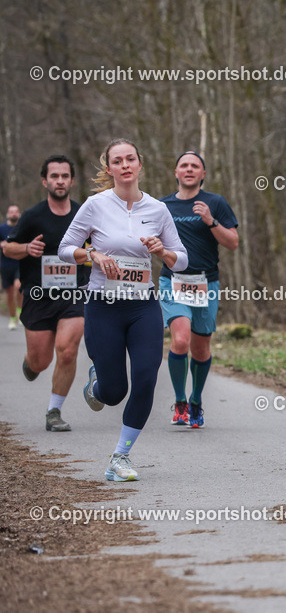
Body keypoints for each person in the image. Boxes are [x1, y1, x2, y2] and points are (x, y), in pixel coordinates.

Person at [58, 139, 188, 481]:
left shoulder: (158, 210)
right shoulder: (94, 206)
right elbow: (64, 248)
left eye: (131, 158)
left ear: (140, 165)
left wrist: (163, 252)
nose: (126, 164)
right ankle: (97, 382)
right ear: (109, 169)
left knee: (146, 376)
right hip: (104, 306)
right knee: (114, 393)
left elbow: (182, 258)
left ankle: (120, 457)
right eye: (118, 160)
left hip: (143, 306)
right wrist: (92, 255)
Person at [2, 158, 88, 432]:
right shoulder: (32, 216)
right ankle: (31, 362)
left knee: (67, 351)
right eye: (55, 176)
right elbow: (8, 249)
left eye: (65, 175)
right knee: (41, 360)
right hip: (38, 296)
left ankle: (54, 410)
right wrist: (27, 248)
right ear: (45, 181)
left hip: (74, 295)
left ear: (72, 181)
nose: (60, 180)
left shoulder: (84, 214)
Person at [159, 151, 238, 428]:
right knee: (181, 340)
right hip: (173, 280)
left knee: (201, 349)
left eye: (195, 166)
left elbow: (233, 243)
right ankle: (180, 402)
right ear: (176, 172)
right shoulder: (162, 205)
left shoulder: (215, 203)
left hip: (206, 283)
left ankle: (195, 400)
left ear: (203, 174)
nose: (189, 169)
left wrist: (211, 221)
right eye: (184, 165)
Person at [1, 205, 22, 329]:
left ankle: (20, 311)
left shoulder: (22, 227)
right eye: (11, 212)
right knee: (9, 293)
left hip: (19, 263)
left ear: (19, 214)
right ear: (8, 214)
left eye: (16, 212)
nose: (13, 214)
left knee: (18, 286)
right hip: (5, 265)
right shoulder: (2, 228)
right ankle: (13, 318)